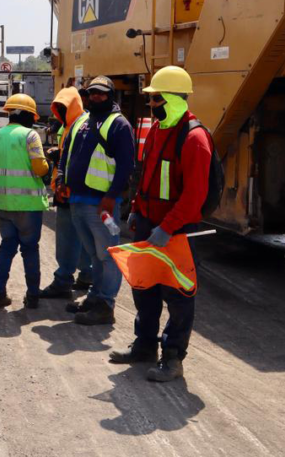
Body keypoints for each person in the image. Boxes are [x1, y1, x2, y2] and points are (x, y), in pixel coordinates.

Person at [109, 66, 210, 382]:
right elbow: (146, 176)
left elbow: (194, 195)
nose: (151, 105)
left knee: (178, 296)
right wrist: (136, 209)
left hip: (175, 231)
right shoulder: (156, 130)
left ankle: (173, 357)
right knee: (145, 288)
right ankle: (145, 346)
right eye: (151, 99)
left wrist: (167, 227)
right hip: (148, 223)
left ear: (174, 98)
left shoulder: (194, 138)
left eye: (156, 99)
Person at [57, 75, 136, 325]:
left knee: (108, 254)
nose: (96, 97)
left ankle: (105, 304)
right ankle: (95, 296)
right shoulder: (82, 121)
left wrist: (111, 197)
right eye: (92, 93)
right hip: (77, 200)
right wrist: (61, 179)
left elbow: (126, 165)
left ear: (110, 95)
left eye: (101, 93)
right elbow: (66, 154)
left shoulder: (119, 124)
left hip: (101, 204)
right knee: (94, 255)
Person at [0, 94, 51, 310]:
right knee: (30, 249)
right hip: (27, 205)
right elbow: (40, 168)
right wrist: (48, 165)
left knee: (7, 247)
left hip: (2, 204)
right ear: (26, 115)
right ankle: (33, 297)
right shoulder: (30, 136)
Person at [38, 87, 93, 300]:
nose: (59, 111)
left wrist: (59, 158)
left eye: (63, 107)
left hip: (68, 190)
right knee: (82, 237)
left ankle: (63, 280)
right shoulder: (74, 124)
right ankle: (87, 275)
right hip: (76, 190)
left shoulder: (78, 126)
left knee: (67, 239)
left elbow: (75, 158)